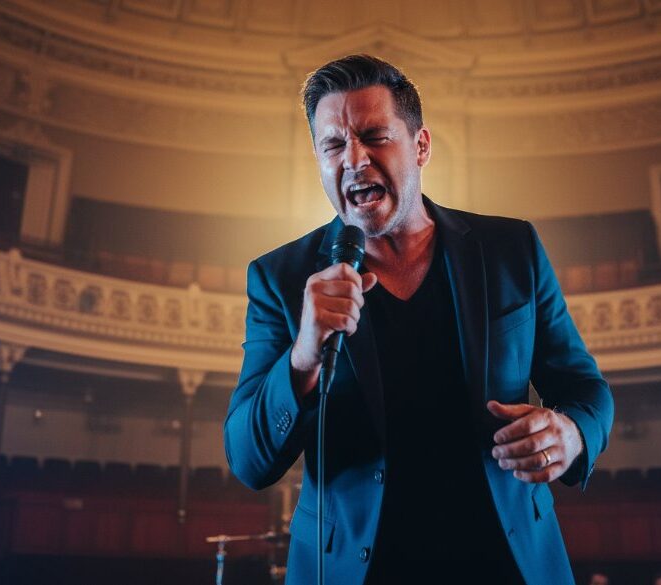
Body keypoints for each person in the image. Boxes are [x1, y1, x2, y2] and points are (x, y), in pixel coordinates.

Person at [224, 54, 614, 585]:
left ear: (422, 146)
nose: (354, 160)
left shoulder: (509, 248)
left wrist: (571, 434)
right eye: (333, 145)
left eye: (374, 136)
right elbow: (249, 462)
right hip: (359, 571)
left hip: (507, 563)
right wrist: (303, 355)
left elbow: (585, 387)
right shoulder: (278, 278)